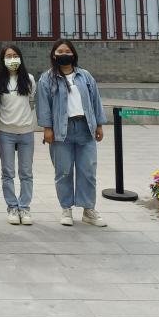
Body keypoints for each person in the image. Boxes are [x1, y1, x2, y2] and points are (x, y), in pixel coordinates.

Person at [36, 39, 108, 228]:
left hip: (85, 128)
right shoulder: (46, 78)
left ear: (74, 54)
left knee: (88, 170)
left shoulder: (84, 76)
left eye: (67, 51)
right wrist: (47, 128)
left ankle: (88, 210)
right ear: (54, 55)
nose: (64, 54)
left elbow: (95, 100)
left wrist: (99, 125)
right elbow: (43, 105)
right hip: (61, 130)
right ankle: (66, 208)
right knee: (63, 171)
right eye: (60, 52)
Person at [0, 44, 37, 225]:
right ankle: (12, 207)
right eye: (8, 56)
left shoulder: (29, 79)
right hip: (6, 133)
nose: (12, 59)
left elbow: (32, 102)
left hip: (26, 132)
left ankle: (25, 207)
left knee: (26, 173)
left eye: (15, 55)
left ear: (20, 57)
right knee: (8, 172)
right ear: (3, 60)